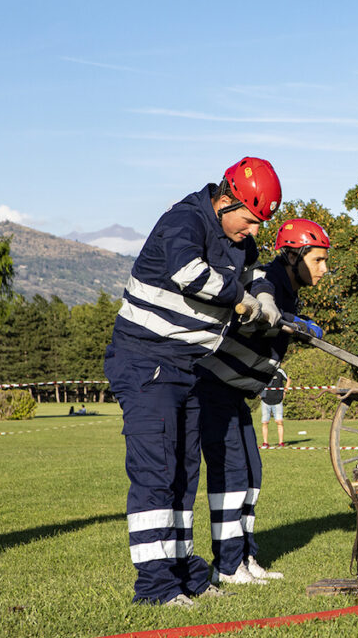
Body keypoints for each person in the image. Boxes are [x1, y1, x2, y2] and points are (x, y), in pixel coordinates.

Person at [104, 157, 282, 607]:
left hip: (187, 366)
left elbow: (255, 270)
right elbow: (188, 273)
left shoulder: (236, 235)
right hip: (147, 361)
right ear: (225, 200)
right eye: (250, 218)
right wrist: (241, 301)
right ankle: (156, 588)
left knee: (184, 474)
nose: (254, 231)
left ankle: (186, 574)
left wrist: (263, 294)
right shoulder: (184, 220)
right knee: (157, 473)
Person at [194, 218, 328, 586]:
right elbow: (249, 316)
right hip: (214, 386)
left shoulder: (287, 289)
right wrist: (289, 322)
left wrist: (294, 321)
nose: (324, 269)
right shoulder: (267, 278)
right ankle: (227, 565)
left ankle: (246, 557)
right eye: (317, 260)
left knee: (252, 475)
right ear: (292, 256)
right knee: (232, 476)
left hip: (236, 392)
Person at [259, 368, 290, 448]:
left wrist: (285, 391)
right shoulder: (264, 370)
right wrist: (259, 392)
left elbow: (288, 380)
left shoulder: (280, 371)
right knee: (265, 422)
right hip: (265, 401)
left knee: (279, 422)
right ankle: (265, 443)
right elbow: (258, 382)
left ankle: (281, 443)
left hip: (278, 401)